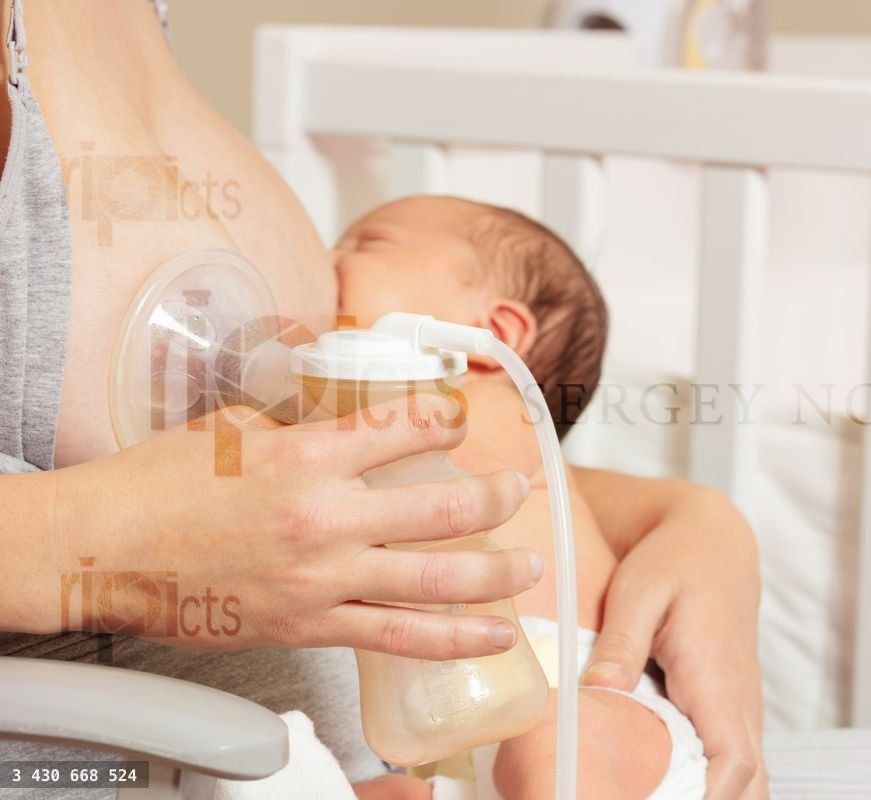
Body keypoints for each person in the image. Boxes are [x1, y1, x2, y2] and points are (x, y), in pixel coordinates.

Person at [0, 2, 765, 798]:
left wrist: (696, 521)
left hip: (532, 703)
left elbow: (433, 481)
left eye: (367, 247)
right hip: (245, 762)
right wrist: (100, 536)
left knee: (561, 742)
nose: (333, 266)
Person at [334, 196, 723, 798]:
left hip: (590, 706)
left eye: (368, 243)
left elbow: (358, 461)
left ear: (496, 335)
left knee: (549, 737)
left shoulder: (498, 412)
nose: (328, 259)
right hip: (448, 747)